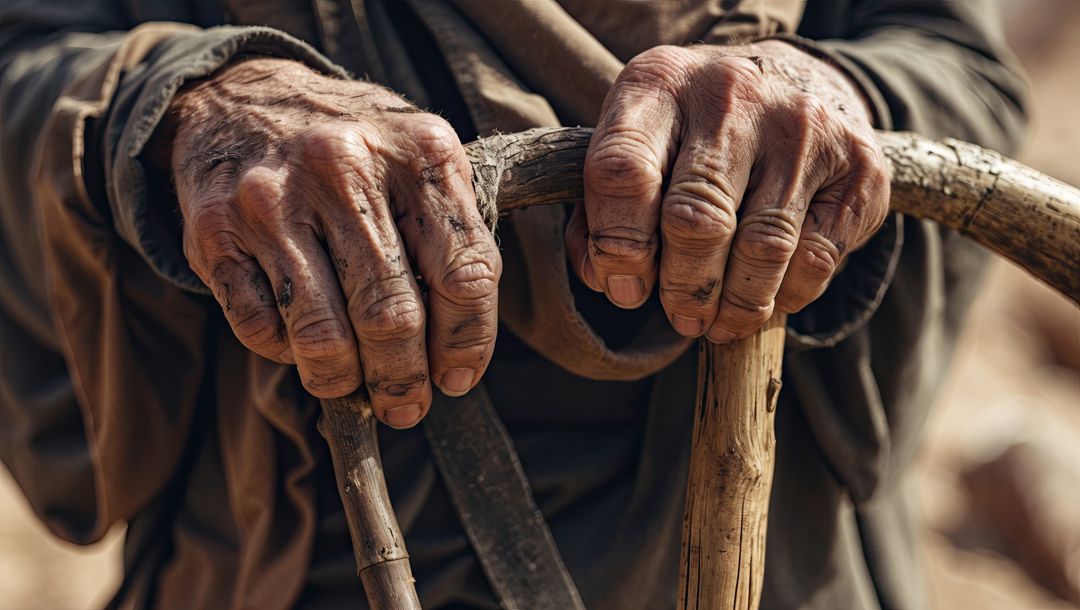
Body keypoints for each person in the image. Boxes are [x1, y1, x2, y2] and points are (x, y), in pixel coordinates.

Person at [0, 1, 1026, 608]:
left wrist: (829, 105)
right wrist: (185, 110)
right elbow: (23, 56)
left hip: (764, 549)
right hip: (281, 554)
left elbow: (957, 64)